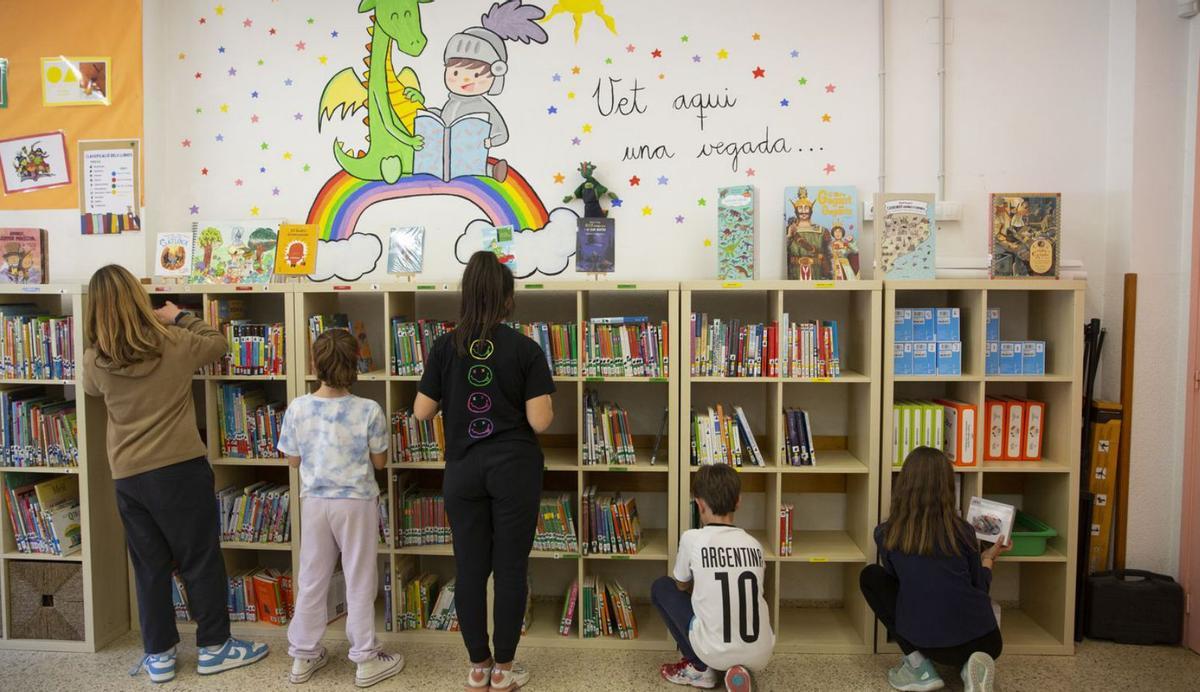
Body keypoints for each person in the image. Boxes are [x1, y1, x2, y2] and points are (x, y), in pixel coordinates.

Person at [81, 265, 269, 683]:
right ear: (137, 299)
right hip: (180, 469)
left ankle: (160, 655)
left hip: (128, 476)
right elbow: (217, 344)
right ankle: (215, 647)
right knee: (199, 559)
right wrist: (178, 315)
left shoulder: (95, 359)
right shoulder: (173, 342)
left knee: (148, 566)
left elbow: (92, 391)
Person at [414, 251, 555, 691]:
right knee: (510, 569)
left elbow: (421, 412)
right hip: (514, 468)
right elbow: (540, 422)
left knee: (470, 568)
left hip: (463, 469)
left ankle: (478, 667)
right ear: (507, 300)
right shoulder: (526, 348)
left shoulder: (444, 345)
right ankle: (505, 670)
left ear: (466, 294)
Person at [277, 329, 403, 688]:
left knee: (312, 578)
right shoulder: (369, 410)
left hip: (315, 503)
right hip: (356, 502)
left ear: (314, 364)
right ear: (356, 364)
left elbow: (293, 460)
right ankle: (365, 658)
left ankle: (303, 654)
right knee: (359, 578)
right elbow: (379, 463)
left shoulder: (298, 407)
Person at [860, 447, 1010, 692]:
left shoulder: (887, 534)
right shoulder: (963, 532)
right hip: (988, 640)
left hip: (928, 642)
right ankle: (970, 668)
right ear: (948, 487)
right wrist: (988, 559)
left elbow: (903, 584)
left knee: (871, 576)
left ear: (903, 486)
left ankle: (919, 667)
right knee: (964, 610)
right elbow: (980, 587)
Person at [653, 464, 775, 691]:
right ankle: (739, 666)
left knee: (662, 587)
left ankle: (700, 668)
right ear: (738, 501)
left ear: (698, 504)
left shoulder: (692, 538)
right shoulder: (754, 544)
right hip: (762, 652)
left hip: (713, 649)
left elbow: (680, 584)